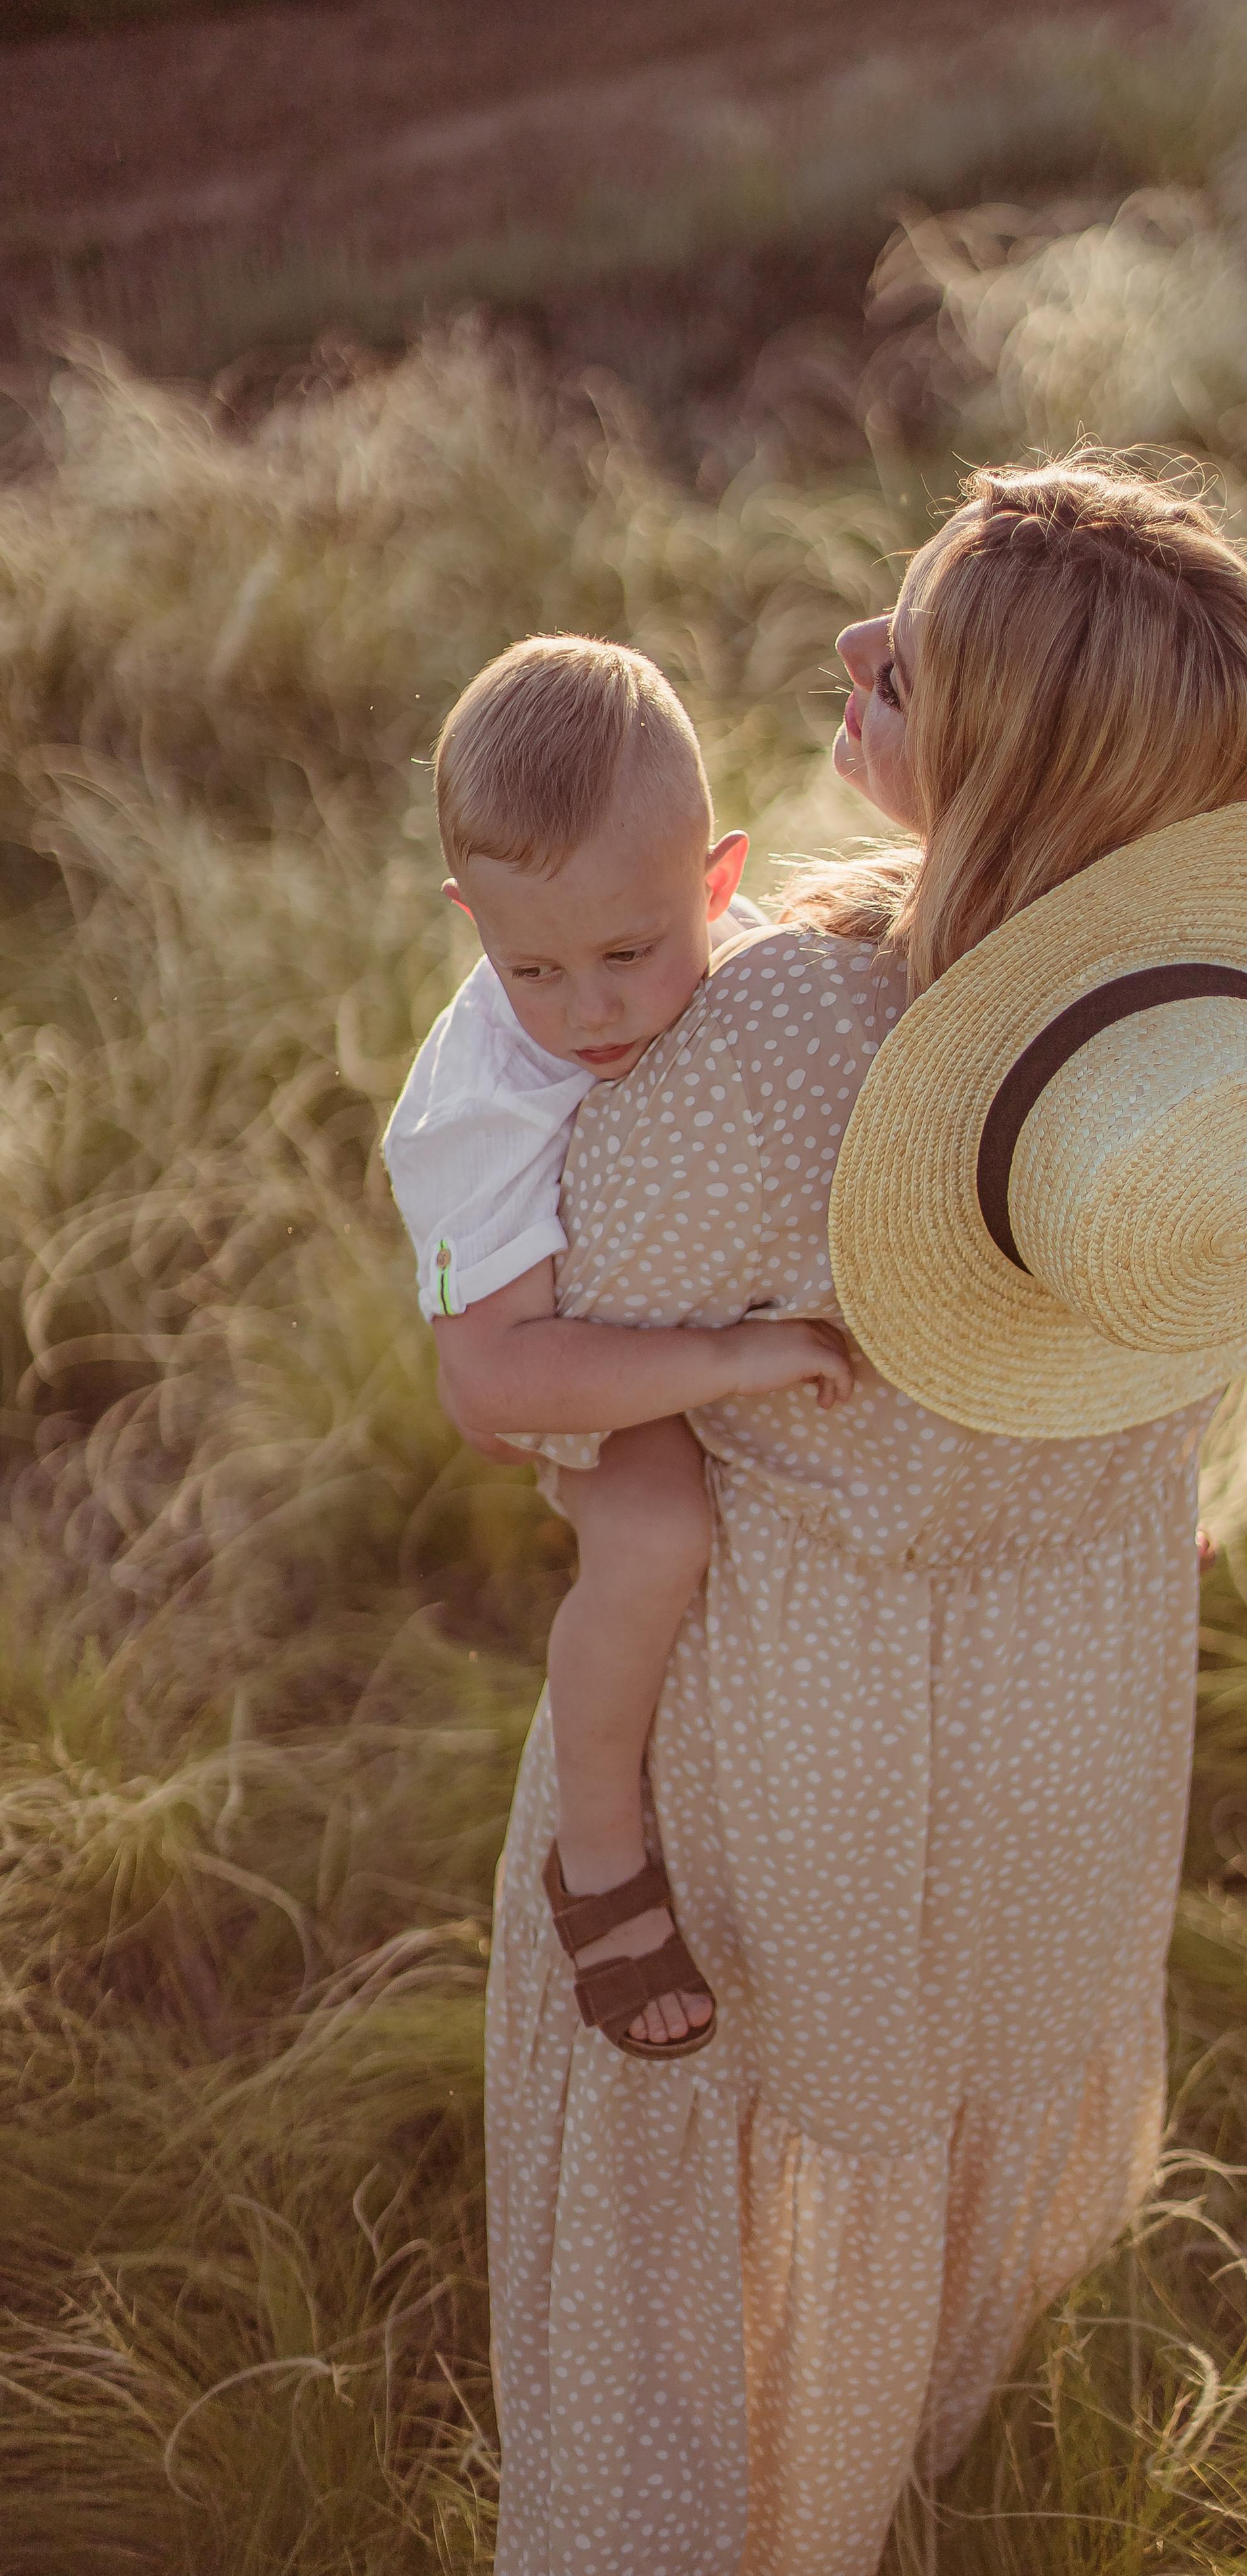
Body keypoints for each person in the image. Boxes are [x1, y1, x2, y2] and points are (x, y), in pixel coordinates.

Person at [461, 461, 1247, 2574]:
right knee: (992, 2076)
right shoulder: (1221, 1037)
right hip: (1075, 1683)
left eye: (900, 656)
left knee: (753, 2136)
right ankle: (935, 2464)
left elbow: (550, 1344)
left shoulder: (793, 1039)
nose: (846, 654)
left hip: (814, 1701)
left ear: (997, 759)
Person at [384, 637, 854, 2061]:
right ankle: (596, 1847)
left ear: (716, 885)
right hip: (591, 1360)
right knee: (655, 1529)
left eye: (628, 954)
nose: (588, 1010)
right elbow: (493, 1386)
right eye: (531, 966)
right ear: (474, 924)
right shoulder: (484, 1100)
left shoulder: (756, 969)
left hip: (727, 1288)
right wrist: (730, 1360)